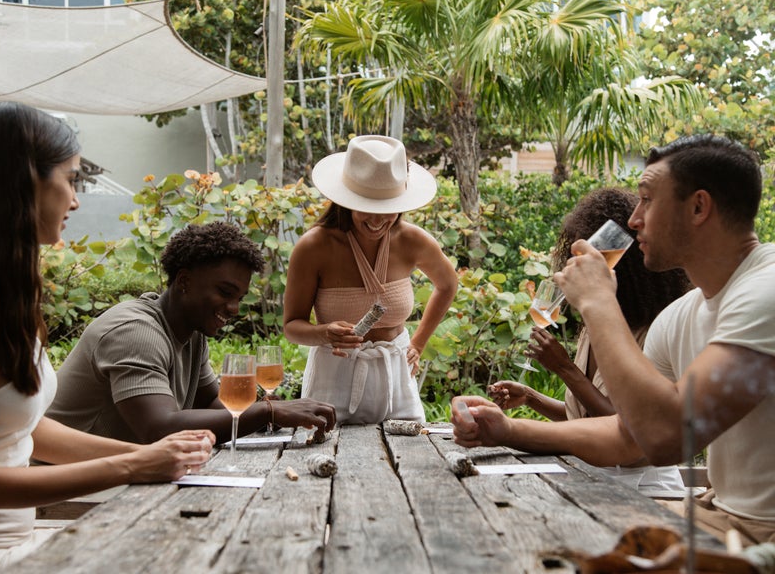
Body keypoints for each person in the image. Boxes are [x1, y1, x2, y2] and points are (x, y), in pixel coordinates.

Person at [452, 135, 775, 546]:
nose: (635, 219)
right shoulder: (681, 315)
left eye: (647, 199)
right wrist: (508, 430)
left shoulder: (767, 289)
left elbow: (665, 439)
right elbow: (628, 436)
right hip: (720, 515)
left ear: (698, 207)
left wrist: (599, 302)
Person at [0, 101, 214, 573]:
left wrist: (154, 456)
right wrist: (133, 466)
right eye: (71, 179)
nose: (76, 199)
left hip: (21, 542)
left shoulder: (7, 297)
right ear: (24, 182)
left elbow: (26, 430)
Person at [47, 221, 336, 444]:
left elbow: (209, 403)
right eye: (225, 292)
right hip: (71, 488)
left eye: (240, 297)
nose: (234, 308)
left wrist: (274, 408)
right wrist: (268, 412)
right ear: (184, 281)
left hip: (124, 477)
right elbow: (158, 428)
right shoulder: (136, 332)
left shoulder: (190, 332)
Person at [488, 187, 692, 494]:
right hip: (591, 476)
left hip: (646, 487)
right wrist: (531, 398)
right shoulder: (594, 323)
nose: (574, 265)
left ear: (622, 264)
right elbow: (586, 417)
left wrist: (565, 370)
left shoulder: (655, 329)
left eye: (585, 256)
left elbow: (627, 429)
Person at [283, 135, 458, 424]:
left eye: (388, 208)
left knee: (408, 453)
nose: (378, 221)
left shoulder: (412, 240)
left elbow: (448, 284)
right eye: (368, 208)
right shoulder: (313, 247)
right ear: (346, 201)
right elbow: (292, 327)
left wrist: (418, 343)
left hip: (396, 373)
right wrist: (325, 332)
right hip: (333, 376)